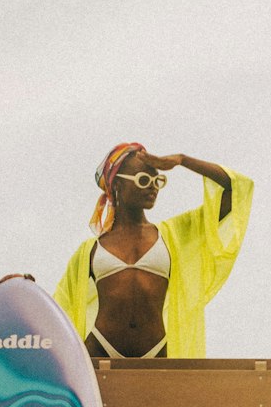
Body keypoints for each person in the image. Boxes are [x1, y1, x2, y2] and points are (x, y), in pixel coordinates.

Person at [52, 144, 253, 359]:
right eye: (143, 180)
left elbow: (235, 188)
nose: (153, 187)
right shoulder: (89, 250)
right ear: (118, 185)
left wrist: (183, 160)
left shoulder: (176, 233)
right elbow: (58, 307)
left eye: (158, 181)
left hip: (156, 349)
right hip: (100, 349)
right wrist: (22, 287)